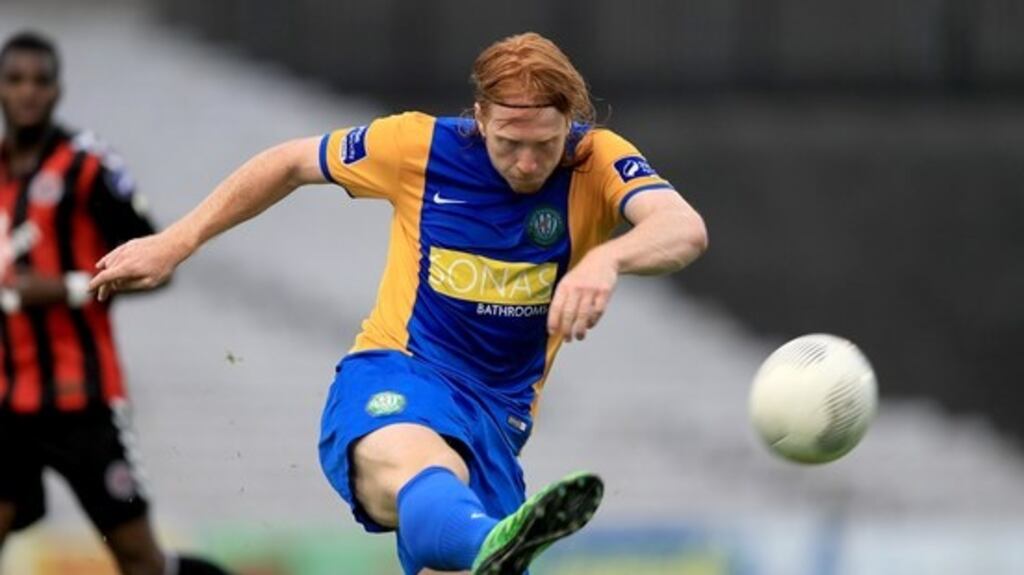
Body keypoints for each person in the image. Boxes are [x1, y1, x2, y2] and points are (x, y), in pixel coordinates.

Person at [91, 32, 708, 574]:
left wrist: (608, 258)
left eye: (544, 145)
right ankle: (481, 538)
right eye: (507, 143)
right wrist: (177, 241)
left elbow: (683, 228)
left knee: (456, 514)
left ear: (569, 123)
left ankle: (481, 538)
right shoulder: (418, 146)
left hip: (497, 421)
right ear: (478, 117)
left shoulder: (596, 160)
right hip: (399, 370)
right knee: (417, 460)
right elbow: (288, 163)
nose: (526, 162)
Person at [0, 31, 231, 575]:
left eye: (40, 81)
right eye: (15, 81)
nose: (28, 92)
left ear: (57, 90)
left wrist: (65, 288)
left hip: (84, 403)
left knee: (140, 562)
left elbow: (157, 265)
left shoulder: (88, 165)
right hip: (8, 404)